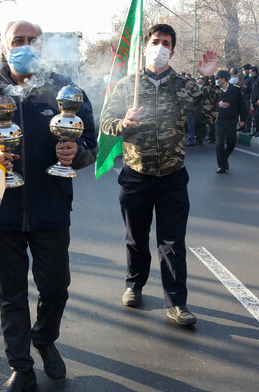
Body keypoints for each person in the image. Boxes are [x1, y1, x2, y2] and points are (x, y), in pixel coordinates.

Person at [0, 20, 97, 392]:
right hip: (1, 208)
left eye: (32, 40)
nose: (25, 46)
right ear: (4, 47)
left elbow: (90, 138)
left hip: (51, 205)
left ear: (43, 45)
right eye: (17, 40)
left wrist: (78, 152)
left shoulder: (63, 87)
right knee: (11, 293)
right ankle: (20, 367)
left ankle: (44, 338)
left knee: (55, 286)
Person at [101, 23, 218, 326]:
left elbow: (208, 116)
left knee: (172, 242)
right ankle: (134, 285)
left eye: (166, 43)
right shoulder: (128, 84)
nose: (160, 47)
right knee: (136, 238)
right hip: (135, 174)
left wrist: (208, 80)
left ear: (172, 51)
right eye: (155, 41)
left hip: (172, 176)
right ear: (145, 46)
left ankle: (176, 302)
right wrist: (123, 123)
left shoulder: (184, 85)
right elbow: (106, 123)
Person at [214, 70, 247, 174]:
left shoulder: (236, 90)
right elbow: (208, 104)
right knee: (219, 143)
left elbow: (242, 105)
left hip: (232, 119)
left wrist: (243, 119)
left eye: (218, 78)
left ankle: (224, 158)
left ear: (223, 79)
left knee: (231, 142)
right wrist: (218, 104)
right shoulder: (215, 90)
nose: (217, 80)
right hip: (219, 119)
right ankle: (221, 166)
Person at [240, 64, 252, 131]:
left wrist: (247, 88)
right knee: (243, 113)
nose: (243, 71)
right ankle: (242, 126)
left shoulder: (250, 78)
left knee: (248, 113)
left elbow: (252, 88)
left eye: (244, 70)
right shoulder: (245, 77)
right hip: (243, 97)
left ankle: (248, 127)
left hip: (248, 98)